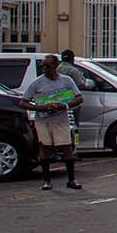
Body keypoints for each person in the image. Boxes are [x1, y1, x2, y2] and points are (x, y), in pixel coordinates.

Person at [18, 54, 83, 191]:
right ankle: (47, 180)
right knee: (44, 148)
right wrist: (40, 107)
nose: (45, 69)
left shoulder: (66, 80)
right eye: (43, 66)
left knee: (66, 148)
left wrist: (64, 106)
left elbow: (79, 98)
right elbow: (23, 102)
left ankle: (71, 179)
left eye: (48, 66)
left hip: (61, 119)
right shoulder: (37, 83)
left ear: (56, 66)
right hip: (43, 120)